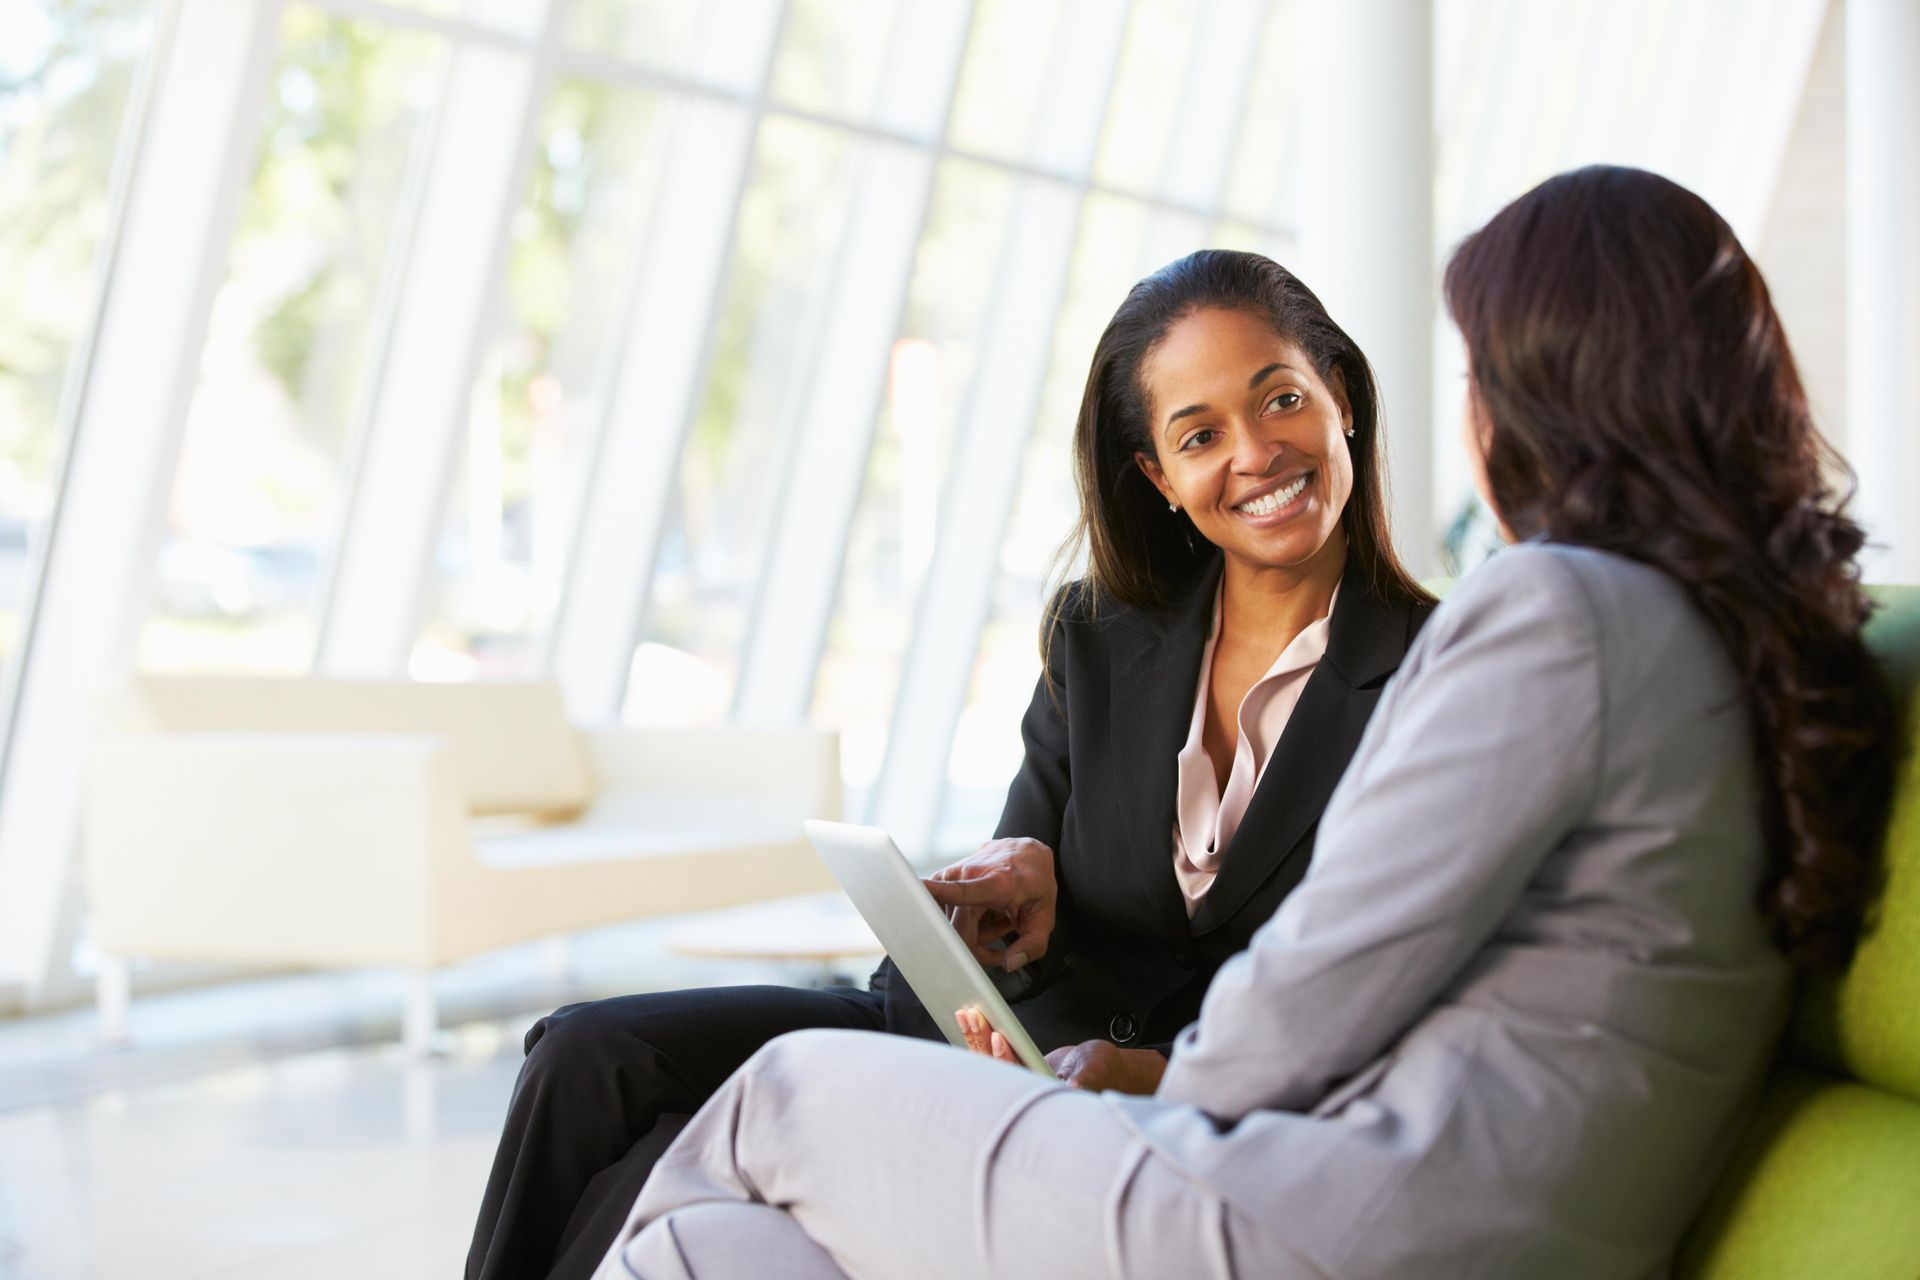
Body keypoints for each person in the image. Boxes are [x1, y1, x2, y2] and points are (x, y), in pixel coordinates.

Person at [589, 166, 1899, 1280]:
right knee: (731, 1251)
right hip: (1482, 1226)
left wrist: (1140, 1107)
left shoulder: (1560, 612)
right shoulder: (1764, 638)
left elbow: (1319, 982)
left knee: (779, 1095)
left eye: (1482, 370)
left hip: (1331, 1225)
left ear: (1551, 390)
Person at [464, 249, 1435, 1279]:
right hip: (989, 1048)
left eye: (1281, 398)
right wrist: (1011, 898)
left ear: (1340, 398)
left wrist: (1149, 1072)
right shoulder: (1100, 637)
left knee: (664, 1172)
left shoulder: (1443, 679)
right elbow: (1015, 912)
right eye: (1200, 434)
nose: (1255, 452)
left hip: (1173, 1125)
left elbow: (1377, 1002)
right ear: (1158, 475)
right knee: (586, 1057)